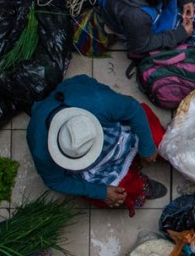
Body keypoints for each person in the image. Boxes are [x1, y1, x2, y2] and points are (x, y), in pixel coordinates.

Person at [27, 75, 168, 212]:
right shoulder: (41, 149)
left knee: (156, 138)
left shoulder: (97, 102)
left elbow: (133, 109)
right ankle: (139, 184)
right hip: (96, 167)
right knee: (118, 195)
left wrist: (147, 147)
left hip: (115, 127)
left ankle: (163, 154)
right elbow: (55, 181)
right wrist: (101, 192)